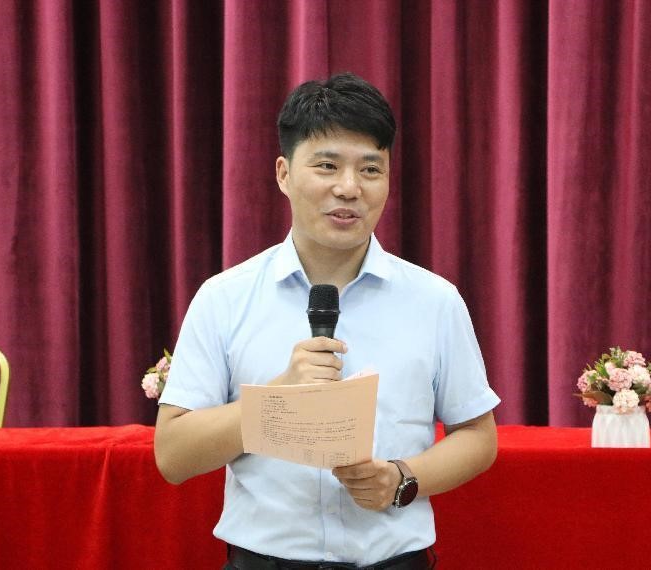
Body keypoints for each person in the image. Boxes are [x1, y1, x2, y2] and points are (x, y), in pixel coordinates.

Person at [154, 72, 500, 570]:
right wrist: (277, 400)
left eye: (370, 169)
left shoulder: (434, 301)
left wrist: (402, 478)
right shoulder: (224, 298)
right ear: (283, 173)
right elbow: (173, 456)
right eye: (327, 165)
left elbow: (478, 437)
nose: (349, 187)